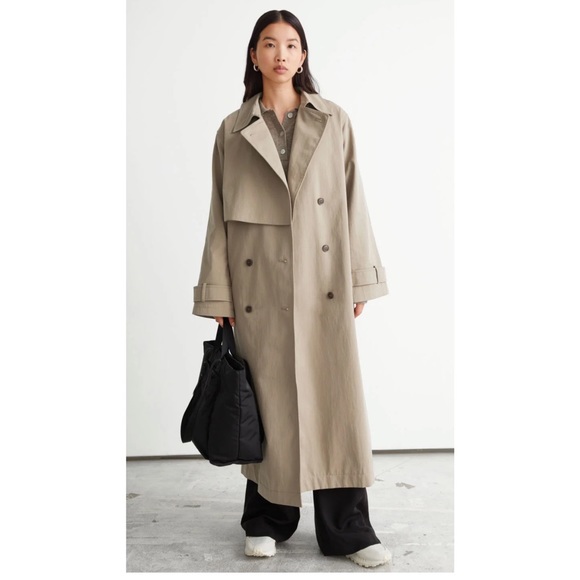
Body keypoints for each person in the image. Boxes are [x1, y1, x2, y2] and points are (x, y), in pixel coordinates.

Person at [192, 9, 391, 568]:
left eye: (291, 44)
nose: (280, 53)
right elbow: (217, 216)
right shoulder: (232, 130)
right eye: (269, 43)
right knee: (267, 403)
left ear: (304, 56)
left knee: (335, 402)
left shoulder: (333, 119)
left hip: (322, 282)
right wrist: (218, 294)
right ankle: (267, 520)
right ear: (254, 55)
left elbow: (353, 200)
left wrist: (360, 276)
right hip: (259, 286)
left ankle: (348, 528)